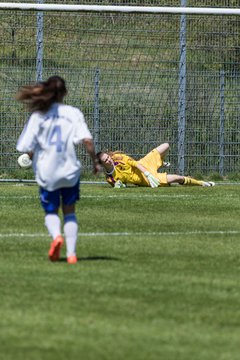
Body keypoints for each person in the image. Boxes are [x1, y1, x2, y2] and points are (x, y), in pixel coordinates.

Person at [16, 76, 100, 264]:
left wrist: (30, 155)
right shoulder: (73, 113)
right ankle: (71, 254)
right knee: (69, 211)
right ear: (65, 93)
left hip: (47, 172)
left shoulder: (39, 115)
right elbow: (87, 141)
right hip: (69, 170)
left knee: (51, 212)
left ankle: (56, 237)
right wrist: (95, 162)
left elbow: (27, 145)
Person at [97, 143, 215, 188]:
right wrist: (119, 186)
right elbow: (120, 184)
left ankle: (161, 163)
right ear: (102, 164)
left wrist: (147, 173)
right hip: (144, 180)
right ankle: (201, 183)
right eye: (105, 160)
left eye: (108, 157)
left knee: (166, 146)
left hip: (144, 165)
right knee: (177, 178)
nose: (109, 160)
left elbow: (136, 164)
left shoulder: (118, 158)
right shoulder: (110, 178)